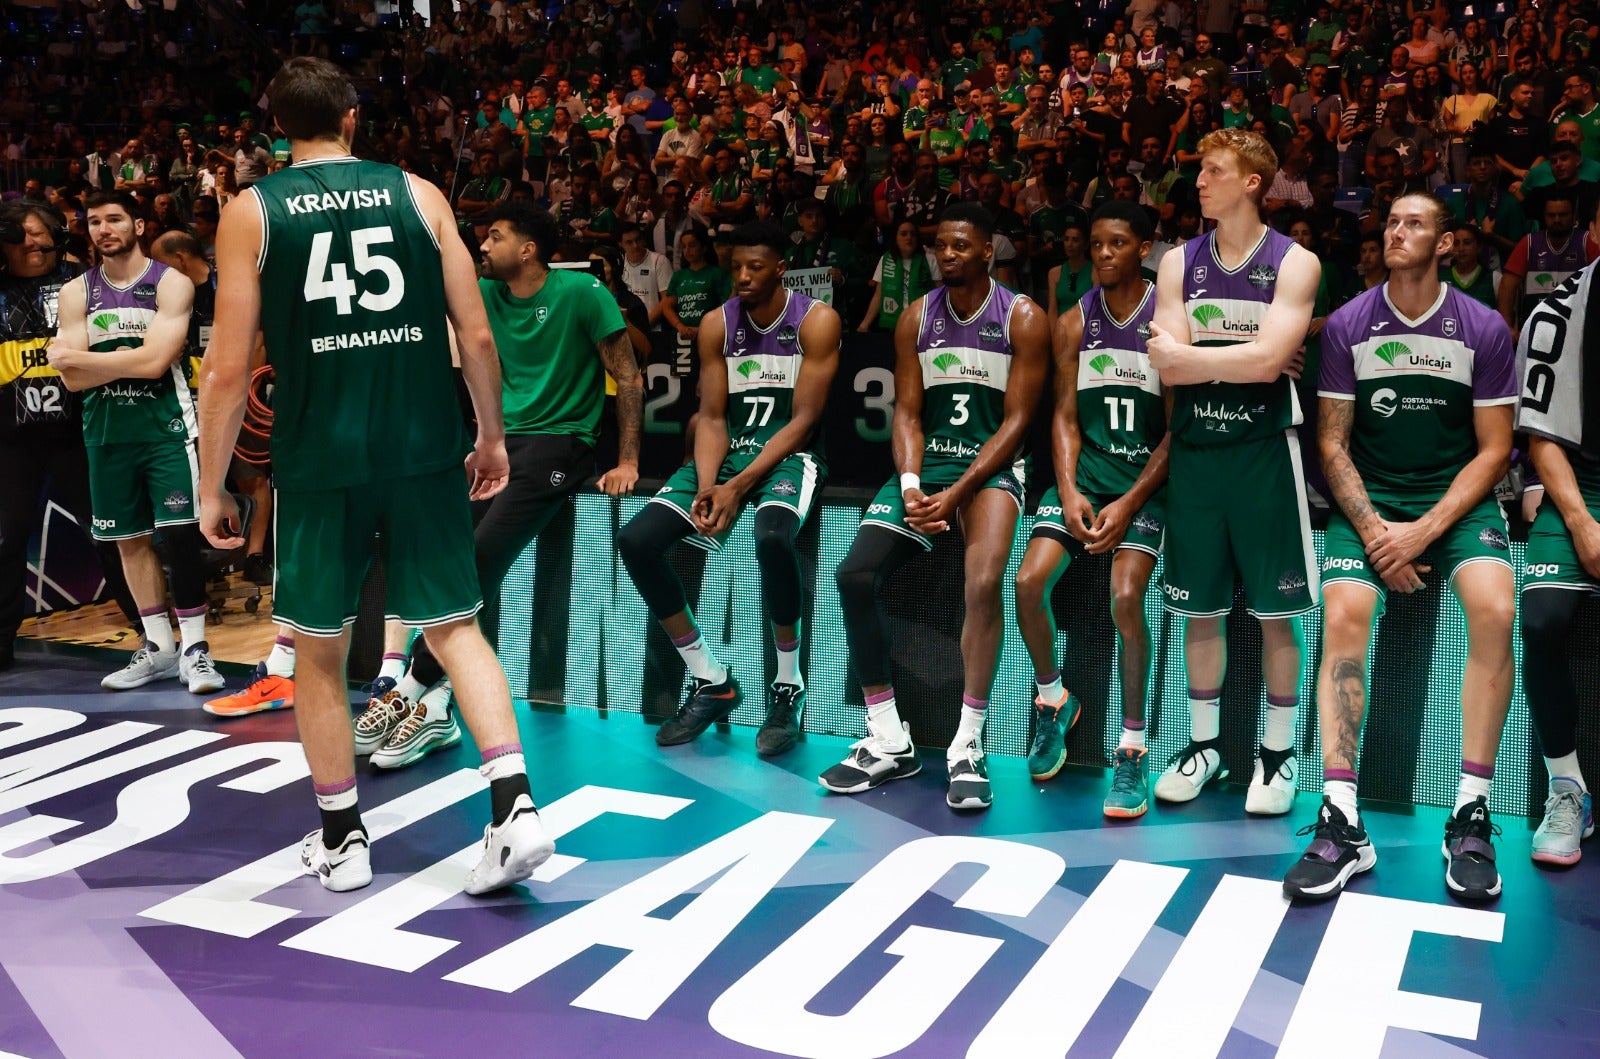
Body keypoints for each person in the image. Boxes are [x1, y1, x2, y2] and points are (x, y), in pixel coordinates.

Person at [197, 58, 553, 896]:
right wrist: (492, 436)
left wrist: (212, 484)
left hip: (322, 461)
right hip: (425, 446)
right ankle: (515, 807)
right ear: (353, 118)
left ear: (278, 126)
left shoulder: (251, 212)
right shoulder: (422, 194)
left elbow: (224, 367)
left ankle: (343, 836)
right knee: (455, 627)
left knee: (318, 653)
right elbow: (476, 335)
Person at [1284, 192, 1516, 903]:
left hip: (1455, 501)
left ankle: (1470, 812)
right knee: (1344, 611)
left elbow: (1496, 450)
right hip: (1370, 505)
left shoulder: (1482, 326)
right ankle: (1342, 819)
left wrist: (1423, 531)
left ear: (1446, 244)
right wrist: (1381, 532)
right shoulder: (1351, 322)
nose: (1397, 231)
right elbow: (1330, 440)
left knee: (1496, 609)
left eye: (1415, 223)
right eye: (1390, 222)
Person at [360, 201, 643, 770]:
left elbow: (629, 375)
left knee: (480, 559)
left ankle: (414, 689)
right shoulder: (483, 298)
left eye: (494, 237)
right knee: (443, 557)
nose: (482, 247)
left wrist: (628, 460)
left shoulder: (583, 294)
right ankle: (439, 705)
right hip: (500, 444)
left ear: (529, 249)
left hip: (563, 443)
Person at [821, 202, 1051, 811]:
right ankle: (888, 738)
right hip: (932, 471)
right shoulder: (916, 317)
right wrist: (912, 483)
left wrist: (960, 490)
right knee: (854, 574)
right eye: (938, 246)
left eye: (958, 246)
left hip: (994, 467)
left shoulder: (1023, 318)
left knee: (983, 583)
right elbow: (908, 413)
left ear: (986, 252)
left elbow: (1019, 422)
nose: (945, 255)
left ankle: (967, 746)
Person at [1146, 129, 1321, 816]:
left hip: (1264, 453)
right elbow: (1166, 361)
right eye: (1200, 170)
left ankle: (1277, 754)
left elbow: (1265, 359)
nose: (1200, 181)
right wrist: (1251, 357)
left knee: (1277, 614)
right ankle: (1205, 744)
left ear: (1253, 182)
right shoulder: (1176, 263)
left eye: (1214, 170)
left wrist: (1207, 359)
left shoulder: (1296, 263)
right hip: (1196, 455)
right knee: (1200, 611)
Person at [618, 221, 840, 756]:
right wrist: (712, 483)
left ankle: (788, 687)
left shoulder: (817, 321)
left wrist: (737, 488)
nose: (742, 275)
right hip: (728, 451)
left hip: (790, 455)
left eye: (755, 267)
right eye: (737, 266)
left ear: (781, 268)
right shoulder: (717, 323)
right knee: (637, 542)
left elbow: (804, 421)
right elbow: (713, 416)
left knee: (771, 536)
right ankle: (712, 680)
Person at [1014, 201, 1172, 817]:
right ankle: (1053, 699)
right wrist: (1071, 489)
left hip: (1147, 488)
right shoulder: (1076, 321)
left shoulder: (1168, 320)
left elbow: (1177, 431)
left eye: (1117, 243)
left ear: (1143, 248)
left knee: (1126, 597)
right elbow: (1064, 417)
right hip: (1085, 481)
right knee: (1029, 582)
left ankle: (1131, 749)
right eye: (1096, 244)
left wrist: (1130, 504)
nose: (1103, 254)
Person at [47, 190, 223, 696]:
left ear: (139, 225)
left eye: (115, 219)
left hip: (165, 428)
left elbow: (153, 363)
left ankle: (196, 650)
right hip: (105, 434)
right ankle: (160, 648)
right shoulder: (77, 292)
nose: (104, 229)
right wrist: (129, 358)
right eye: (95, 221)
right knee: (129, 542)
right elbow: (74, 383)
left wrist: (84, 359)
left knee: (181, 537)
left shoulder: (170, 282)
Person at [0, 201, 133, 671]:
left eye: (40, 234)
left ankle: (154, 634)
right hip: (12, 439)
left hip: (82, 430)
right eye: (19, 236)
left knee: (113, 532)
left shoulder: (86, 280)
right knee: (4, 540)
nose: (31, 245)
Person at [1516, 251, 1600, 867]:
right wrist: (1583, 525)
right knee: (1541, 621)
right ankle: (1566, 787)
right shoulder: (1557, 312)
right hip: (1580, 485)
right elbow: (1541, 437)